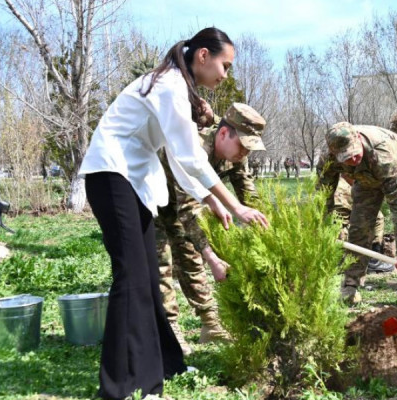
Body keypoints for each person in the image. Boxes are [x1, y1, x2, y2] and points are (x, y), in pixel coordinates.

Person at [78, 27, 269, 400]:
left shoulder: (176, 86)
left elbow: (180, 162)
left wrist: (212, 200)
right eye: (224, 66)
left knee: (147, 278)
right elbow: (189, 156)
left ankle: (167, 365)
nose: (225, 75)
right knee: (130, 280)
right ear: (203, 56)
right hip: (111, 176)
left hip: (132, 179)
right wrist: (233, 204)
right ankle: (118, 389)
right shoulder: (168, 85)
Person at [156, 103, 266, 355]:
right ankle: (170, 329)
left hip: (181, 203)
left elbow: (247, 194)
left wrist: (266, 226)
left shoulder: (235, 154)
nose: (245, 153)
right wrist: (212, 257)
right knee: (161, 262)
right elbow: (188, 210)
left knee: (189, 254)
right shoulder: (192, 149)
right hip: (151, 200)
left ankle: (210, 324)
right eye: (243, 145)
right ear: (224, 134)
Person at [325, 122, 397, 313]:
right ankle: (351, 285)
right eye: (346, 157)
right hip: (365, 177)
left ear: (359, 139)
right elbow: (323, 191)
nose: (352, 159)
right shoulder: (329, 156)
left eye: (354, 152)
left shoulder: (383, 154)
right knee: (358, 227)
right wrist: (324, 225)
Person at [316, 153, 393, 273]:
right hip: (341, 192)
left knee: (337, 223)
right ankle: (373, 259)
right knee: (377, 218)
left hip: (331, 192)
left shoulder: (335, 155)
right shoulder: (354, 157)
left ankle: (339, 259)